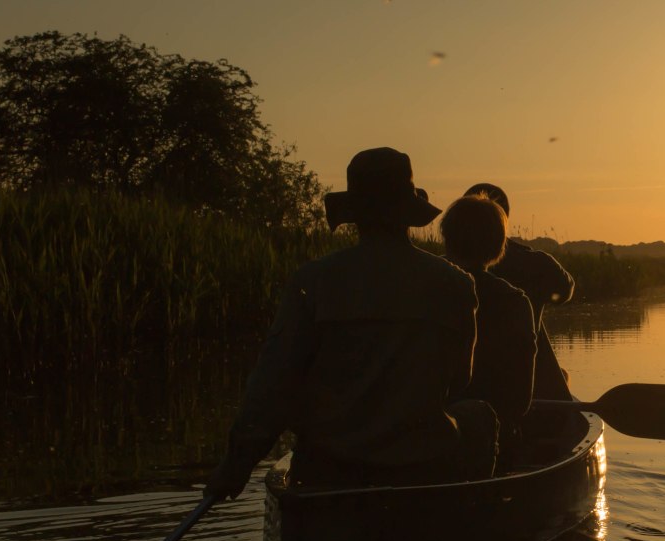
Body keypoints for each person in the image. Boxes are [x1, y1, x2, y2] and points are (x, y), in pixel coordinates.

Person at [205, 147, 493, 499]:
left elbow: (273, 386)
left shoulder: (313, 280)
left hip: (328, 469)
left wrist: (235, 467)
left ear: (355, 215)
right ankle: (471, 521)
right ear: (407, 214)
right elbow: (459, 381)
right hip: (421, 465)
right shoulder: (456, 284)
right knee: (477, 417)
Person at [438, 194, 537, 451]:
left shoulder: (422, 289)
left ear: (448, 239)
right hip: (494, 439)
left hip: (426, 435)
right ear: (498, 245)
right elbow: (520, 401)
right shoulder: (515, 301)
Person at [466, 183, 577, 401]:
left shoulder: (441, 269)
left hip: (464, 390)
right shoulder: (536, 263)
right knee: (561, 375)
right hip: (526, 390)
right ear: (504, 221)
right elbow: (566, 291)